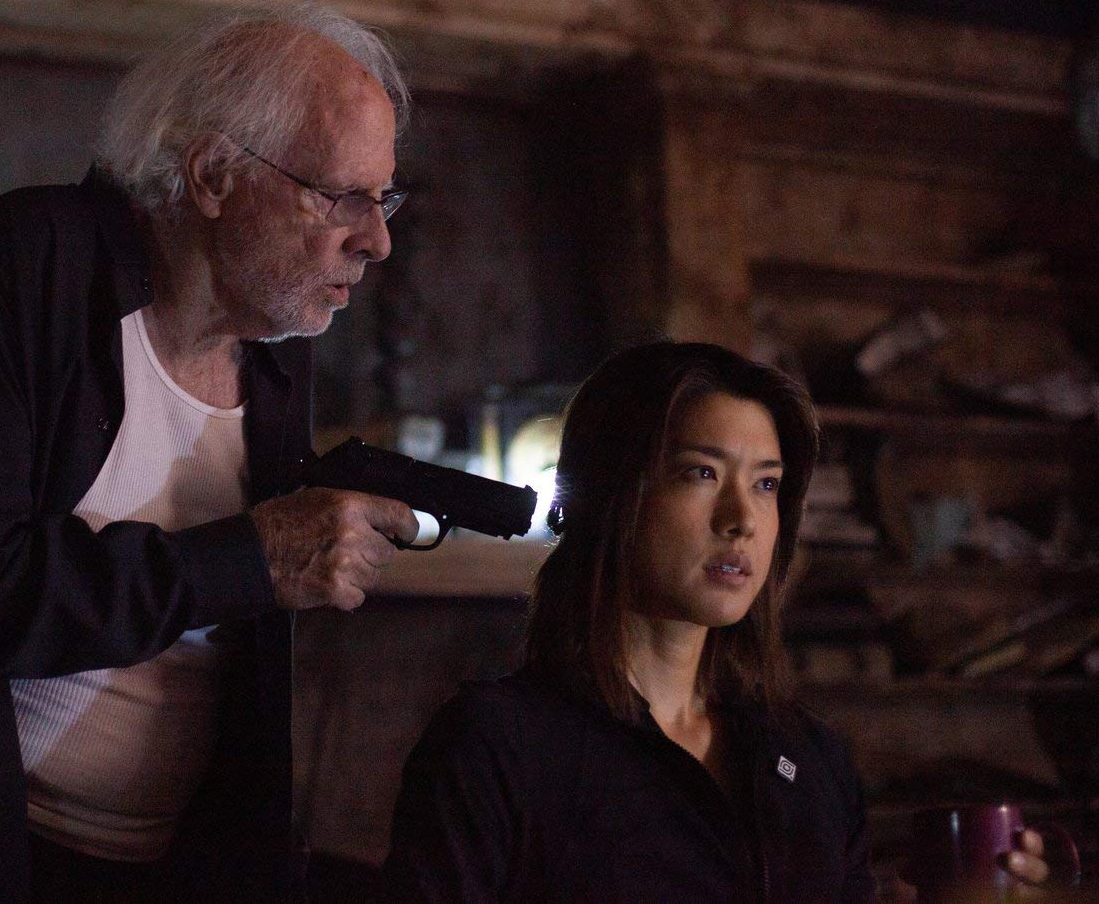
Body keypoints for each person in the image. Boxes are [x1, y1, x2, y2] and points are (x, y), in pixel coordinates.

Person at [0, 2, 420, 902]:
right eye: (342, 197)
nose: (377, 239)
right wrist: (248, 559)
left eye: (384, 198)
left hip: (162, 866)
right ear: (214, 175)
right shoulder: (23, 268)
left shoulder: (275, 349)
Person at [383, 341, 1054, 902]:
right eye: (701, 473)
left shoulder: (812, 762)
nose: (742, 519)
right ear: (611, 492)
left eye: (766, 484)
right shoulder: (496, 749)